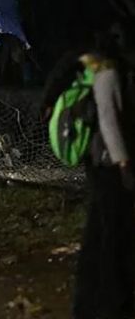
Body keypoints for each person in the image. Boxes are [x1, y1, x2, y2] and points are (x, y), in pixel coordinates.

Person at [72, 27, 135, 319]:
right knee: (113, 230)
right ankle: (112, 299)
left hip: (101, 161)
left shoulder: (97, 68)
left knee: (101, 229)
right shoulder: (108, 71)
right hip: (108, 162)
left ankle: (95, 299)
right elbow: (109, 119)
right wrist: (123, 161)